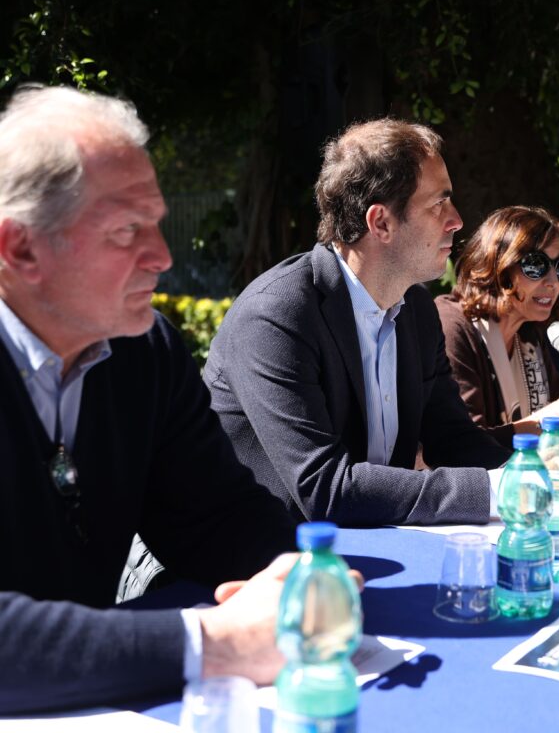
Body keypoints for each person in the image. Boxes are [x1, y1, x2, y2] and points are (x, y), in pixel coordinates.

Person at [0, 85, 303, 714]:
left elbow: (213, 515)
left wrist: (297, 576)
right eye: (125, 231)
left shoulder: (142, 351)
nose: (162, 257)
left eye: (157, 224)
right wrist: (210, 644)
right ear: (21, 248)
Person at [204, 119, 510, 527]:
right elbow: (325, 489)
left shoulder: (416, 311)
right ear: (380, 222)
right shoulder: (276, 316)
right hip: (238, 570)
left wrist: (537, 475)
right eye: (438, 204)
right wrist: (495, 492)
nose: (456, 220)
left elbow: (453, 440)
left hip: (359, 555)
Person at [435, 205, 559, 462]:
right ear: (498, 265)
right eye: (537, 265)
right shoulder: (453, 327)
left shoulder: (530, 329)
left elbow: (554, 422)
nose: (553, 282)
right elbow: (464, 449)